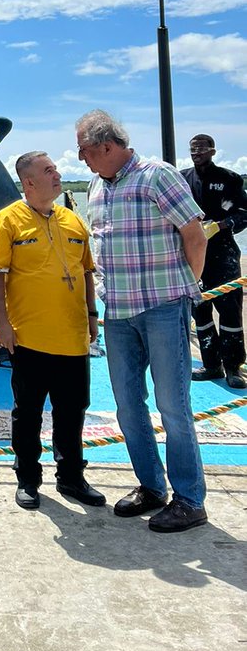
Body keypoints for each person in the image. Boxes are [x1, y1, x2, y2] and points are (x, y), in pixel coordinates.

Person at [75, 110, 208, 532]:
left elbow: (194, 235)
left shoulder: (157, 176)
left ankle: (190, 499)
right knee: (128, 405)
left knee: (173, 405)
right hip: (117, 313)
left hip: (163, 307)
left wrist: (186, 286)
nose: (80, 159)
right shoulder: (97, 186)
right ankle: (152, 486)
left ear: (106, 146)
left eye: (83, 150)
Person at [0, 152, 104, 511]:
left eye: (55, 169)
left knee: (73, 410)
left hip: (73, 336)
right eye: (49, 170)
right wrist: (2, 323)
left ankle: (71, 476)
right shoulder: (8, 220)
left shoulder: (73, 220)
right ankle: (27, 479)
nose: (57, 174)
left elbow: (86, 272)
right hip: (29, 337)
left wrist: (92, 315)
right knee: (28, 412)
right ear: (29, 182)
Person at [181, 134, 247, 389]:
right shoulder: (182, 179)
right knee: (200, 310)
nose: (196, 153)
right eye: (192, 149)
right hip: (192, 254)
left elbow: (244, 213)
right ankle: (211, 365)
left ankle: (233, 366)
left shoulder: (230, 179)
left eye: (201, 148)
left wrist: (221, 225)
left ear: (212, 151)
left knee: (229, 310)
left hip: (223, 254)